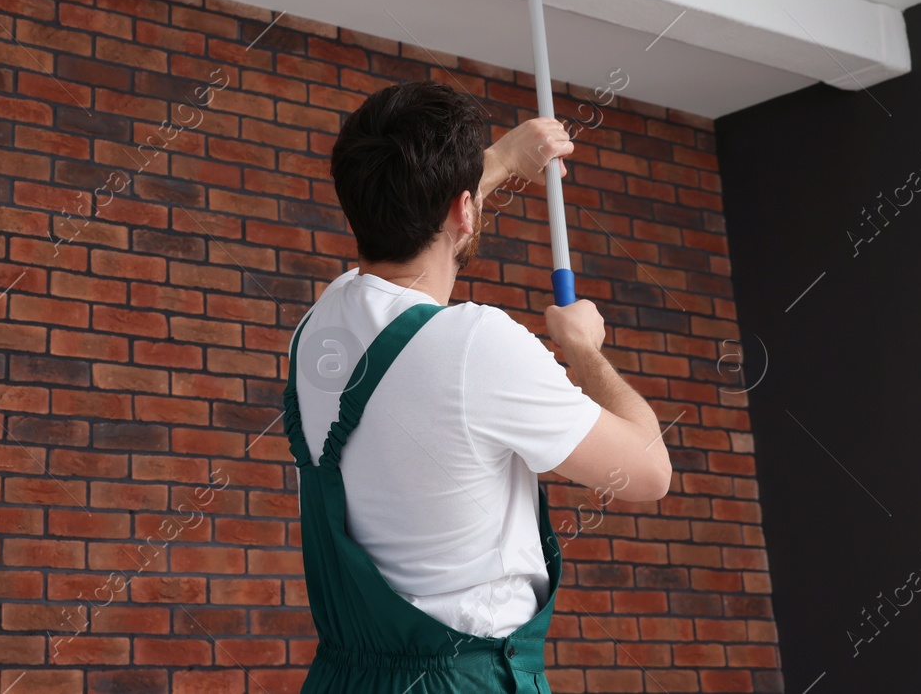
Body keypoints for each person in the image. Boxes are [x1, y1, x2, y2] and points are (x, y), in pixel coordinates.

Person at [283, 80, 672, 693]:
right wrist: (583, 351)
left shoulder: (319, 325)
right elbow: (649, 472)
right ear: (465, 209)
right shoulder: (474, 344)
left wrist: (501, 161)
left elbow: (421, 216)